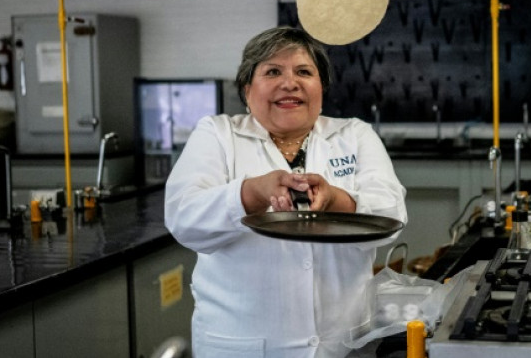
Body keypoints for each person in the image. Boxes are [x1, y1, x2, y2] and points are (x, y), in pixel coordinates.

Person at [165, 26, 408, 358]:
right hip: (242, 345)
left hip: (342, 342)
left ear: (321, 86)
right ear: (247, 88)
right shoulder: (219, 135)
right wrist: (251, 192)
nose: (290, 83)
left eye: (304, 72)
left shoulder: (354, 135)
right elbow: (183, 218)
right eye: (273, 71)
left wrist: (336, 201)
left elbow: (391, 213)